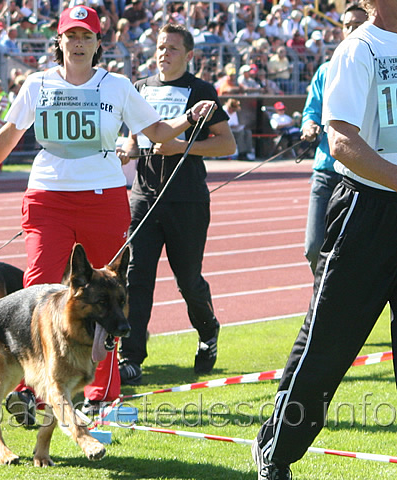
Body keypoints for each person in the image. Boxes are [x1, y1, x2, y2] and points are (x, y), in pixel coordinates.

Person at [0, 5, 215, 416]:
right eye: (71, 36)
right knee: (40, 286)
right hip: (48, 197)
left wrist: (189, 118)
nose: (78, 43)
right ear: (59, 41)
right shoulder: (36, 84)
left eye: (86, 37)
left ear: (99, 43)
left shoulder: (116, 86)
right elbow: (10, 131)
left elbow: (155, 132)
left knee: (107, 296)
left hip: (103, 200)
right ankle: (34, 389)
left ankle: (104, 393)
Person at [252, 1, 397, 478]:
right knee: (327, 344)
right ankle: (275, 451)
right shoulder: (359, 50)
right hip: (367, 210)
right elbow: (341, 141)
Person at [117, 23, 236, 385]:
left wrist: (182, 146)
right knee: (136, 278)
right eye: (159, 47)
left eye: (171, 48)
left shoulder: (201, 91)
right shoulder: (141, 88)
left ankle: (207, 330)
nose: (163, 53)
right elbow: (134, 135)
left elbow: (226, 144)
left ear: (188, 55)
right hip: (143, 197)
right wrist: (129, 146)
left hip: (186, 201)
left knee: (188, 281)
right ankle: (131, 357)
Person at [301, 4, 368, 274]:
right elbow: (311, 110)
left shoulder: (374, 66)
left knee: (357, 249)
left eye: (358, 25)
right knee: (314, 246)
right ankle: (323, 295)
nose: (351, 30)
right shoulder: (326, 70)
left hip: (360, 173)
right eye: (347, 25)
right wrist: (309, 126)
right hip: (326, 172)